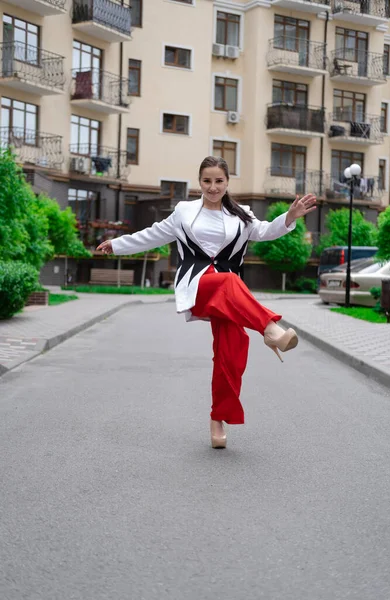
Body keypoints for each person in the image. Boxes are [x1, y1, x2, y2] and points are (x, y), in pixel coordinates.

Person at [97, 156, 316, 449]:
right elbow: (153, 235)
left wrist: (290, 217)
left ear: (227, 183)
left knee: (232, 349)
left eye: (219, 181)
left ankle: (218, 419)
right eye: (207, 181)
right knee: (229, 280)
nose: (213, 187)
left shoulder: (241, 215)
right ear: (199, 182)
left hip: (231, 299)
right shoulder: (184, 212)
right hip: (199, 286)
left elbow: (265, 231)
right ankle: (270, 329)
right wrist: (118, 243)